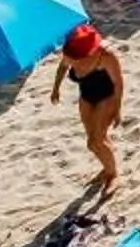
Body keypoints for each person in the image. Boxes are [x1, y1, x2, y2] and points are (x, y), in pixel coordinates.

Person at [49, 24, 124, 191]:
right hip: (86, 97)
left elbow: (118, 83)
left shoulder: (106, 56)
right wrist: (55, 89)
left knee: (95, 141)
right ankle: (108, 166)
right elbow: (62, 67)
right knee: (95, 141)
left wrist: (118, 109)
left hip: (107, 97)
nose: (70, 61)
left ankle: (113, 175)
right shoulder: (71, 52)